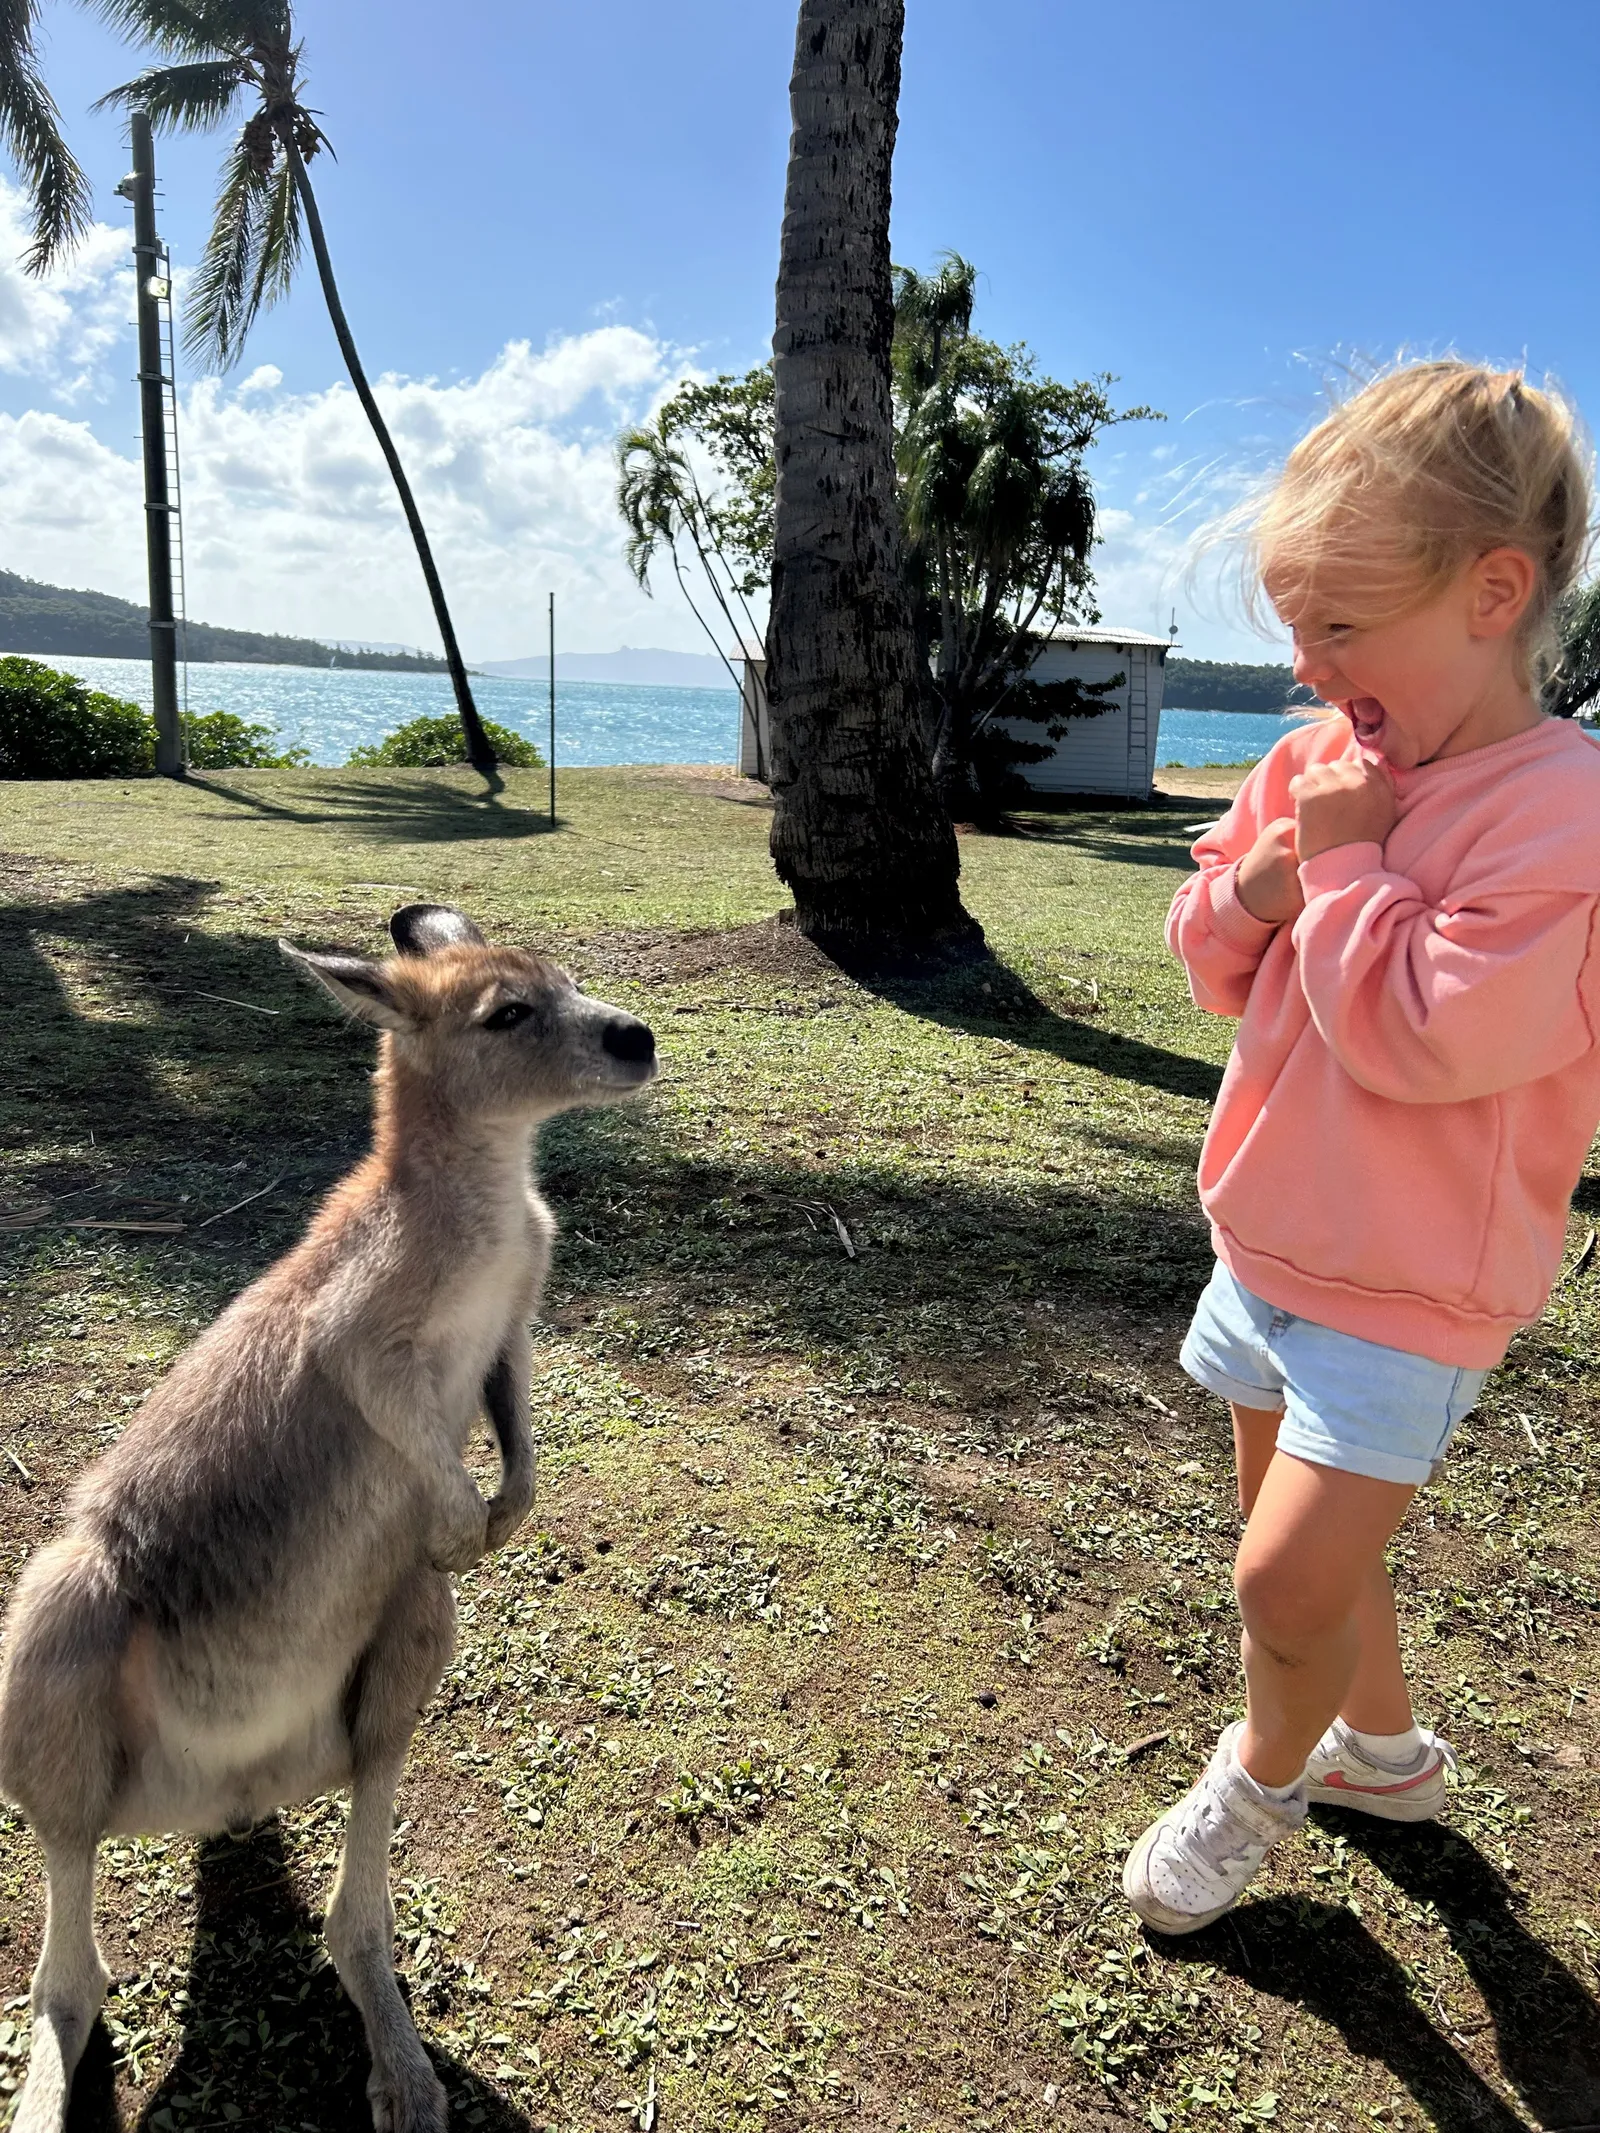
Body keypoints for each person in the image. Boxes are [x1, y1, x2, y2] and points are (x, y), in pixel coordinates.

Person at [1124, 360, 1600, 1935]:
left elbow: (1433, 1037)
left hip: (1410, 1287)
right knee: (1303, 1553)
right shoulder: (1317, 772)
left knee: (1283, 1585)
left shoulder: (1559, 814)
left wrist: (1335, 875)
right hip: (1269, 1240)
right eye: (1294, 627)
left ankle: (1262, 1778)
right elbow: (1209, 956)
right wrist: (1262, 885)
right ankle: (1383, 1756)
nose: (1313, 669)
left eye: (1340, 624)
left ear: (1494, 591)